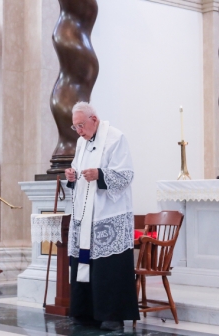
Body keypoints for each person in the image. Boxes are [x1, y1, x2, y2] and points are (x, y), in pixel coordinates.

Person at [65, 102, 139, 331]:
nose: (78, 130)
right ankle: (84, 313)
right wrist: (71, 175)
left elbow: (126, 174)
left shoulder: (116, 138)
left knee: (108, 267)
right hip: (85, 213)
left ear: (93, 119)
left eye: (81, 125)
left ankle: (111, 316)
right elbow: (77, 170)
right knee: (83, 262)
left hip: (108, 213)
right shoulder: (81, 143)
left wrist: (100, 174)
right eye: (75, 126)